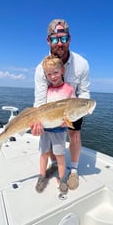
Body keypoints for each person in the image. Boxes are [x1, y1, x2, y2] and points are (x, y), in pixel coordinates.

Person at [32, 19, 90, 190]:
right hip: (50, 111)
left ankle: (73, 171)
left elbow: (85, 91)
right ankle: (55, 163)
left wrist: (82, 110)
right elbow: (40, 101)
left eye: (63, 38)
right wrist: (37, 121)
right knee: (48, 140)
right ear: (48, 41)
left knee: (75, 136)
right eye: (55, 38)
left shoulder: (82, 64)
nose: (60, 43)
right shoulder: (40, 69)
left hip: (74, 106)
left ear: (69, 39)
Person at [35, 54, 75, 194]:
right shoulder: (46, 89)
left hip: (59, 130)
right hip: (45, 130)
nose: (52, 76)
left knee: (60, 155)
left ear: (62, 71)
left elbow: (73, 108)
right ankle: (42, 176)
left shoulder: (69, 89)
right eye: (49, 74)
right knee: (44, 153)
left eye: (55, 72)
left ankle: (63, 178)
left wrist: (68, 121)